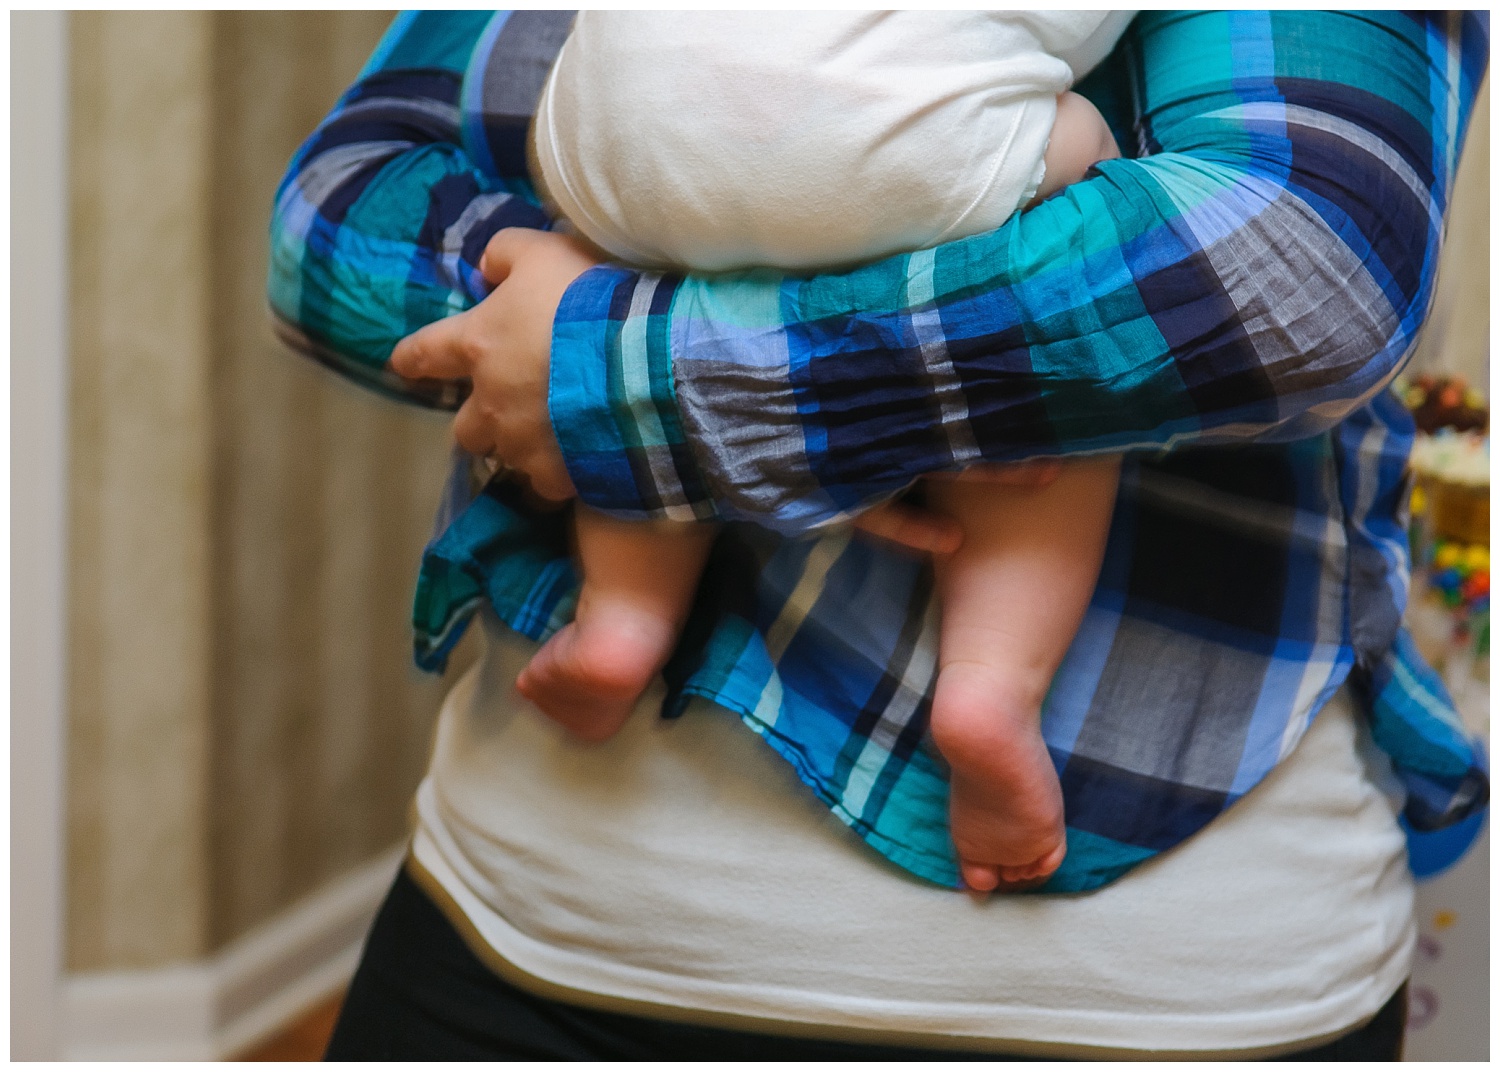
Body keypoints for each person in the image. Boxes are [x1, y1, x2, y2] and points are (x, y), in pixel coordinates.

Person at [268, 9, 1489, 1059]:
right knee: (1045, 394)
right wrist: (815, 362)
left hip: (1138, 1004)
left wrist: (637, 365)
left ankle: (623, 622)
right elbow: (331, 220)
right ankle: (987, 688)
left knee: (635, 226)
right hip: (536, 927)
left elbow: (1299, 267)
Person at [521, 11, 1129, 889]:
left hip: (628, 136)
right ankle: (990, 687)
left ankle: (620, 618)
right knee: (1072, 253)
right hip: (896, 157)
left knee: (618, 276)